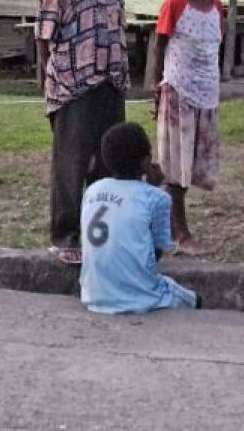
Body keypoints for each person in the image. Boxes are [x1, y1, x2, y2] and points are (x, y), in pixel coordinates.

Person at [36, 0, 139, 265]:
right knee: (72, 162)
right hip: (74, 83)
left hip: (110, 78)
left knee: (108, 161)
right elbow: (45, 30)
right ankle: (65, 235)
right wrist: (51, 81)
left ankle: (101, 236)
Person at [148, 0, 224, 256]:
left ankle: (158, 221)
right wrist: (153, 86)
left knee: (190, 167)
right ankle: (182, 234)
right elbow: (158, 45)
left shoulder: (218, 6)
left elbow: (211, 47)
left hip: (205, 95)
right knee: (175, 168)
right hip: (177, 94)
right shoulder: (175, 5)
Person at [80, 123, 202, 314]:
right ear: (146, 162)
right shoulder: (156, 197)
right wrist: (154, 186)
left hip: (93, 295)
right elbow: (156, 254)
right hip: (139, 298)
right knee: (194, 300)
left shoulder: (93, 190)